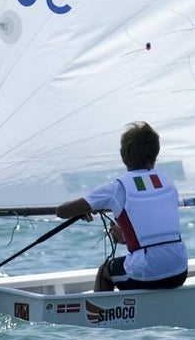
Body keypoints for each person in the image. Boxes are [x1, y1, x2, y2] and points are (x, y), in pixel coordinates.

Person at [56, 121, 188, 292]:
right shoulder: (169, 185)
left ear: (123, 155)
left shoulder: (116, 188)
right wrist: (126, 239)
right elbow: (152, 230)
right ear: (155, 154)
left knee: (105, 270)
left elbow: (62, 212)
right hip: (179, 270)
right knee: (141, 263)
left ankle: (102, 315)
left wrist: (84, 208)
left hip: (147, 272)